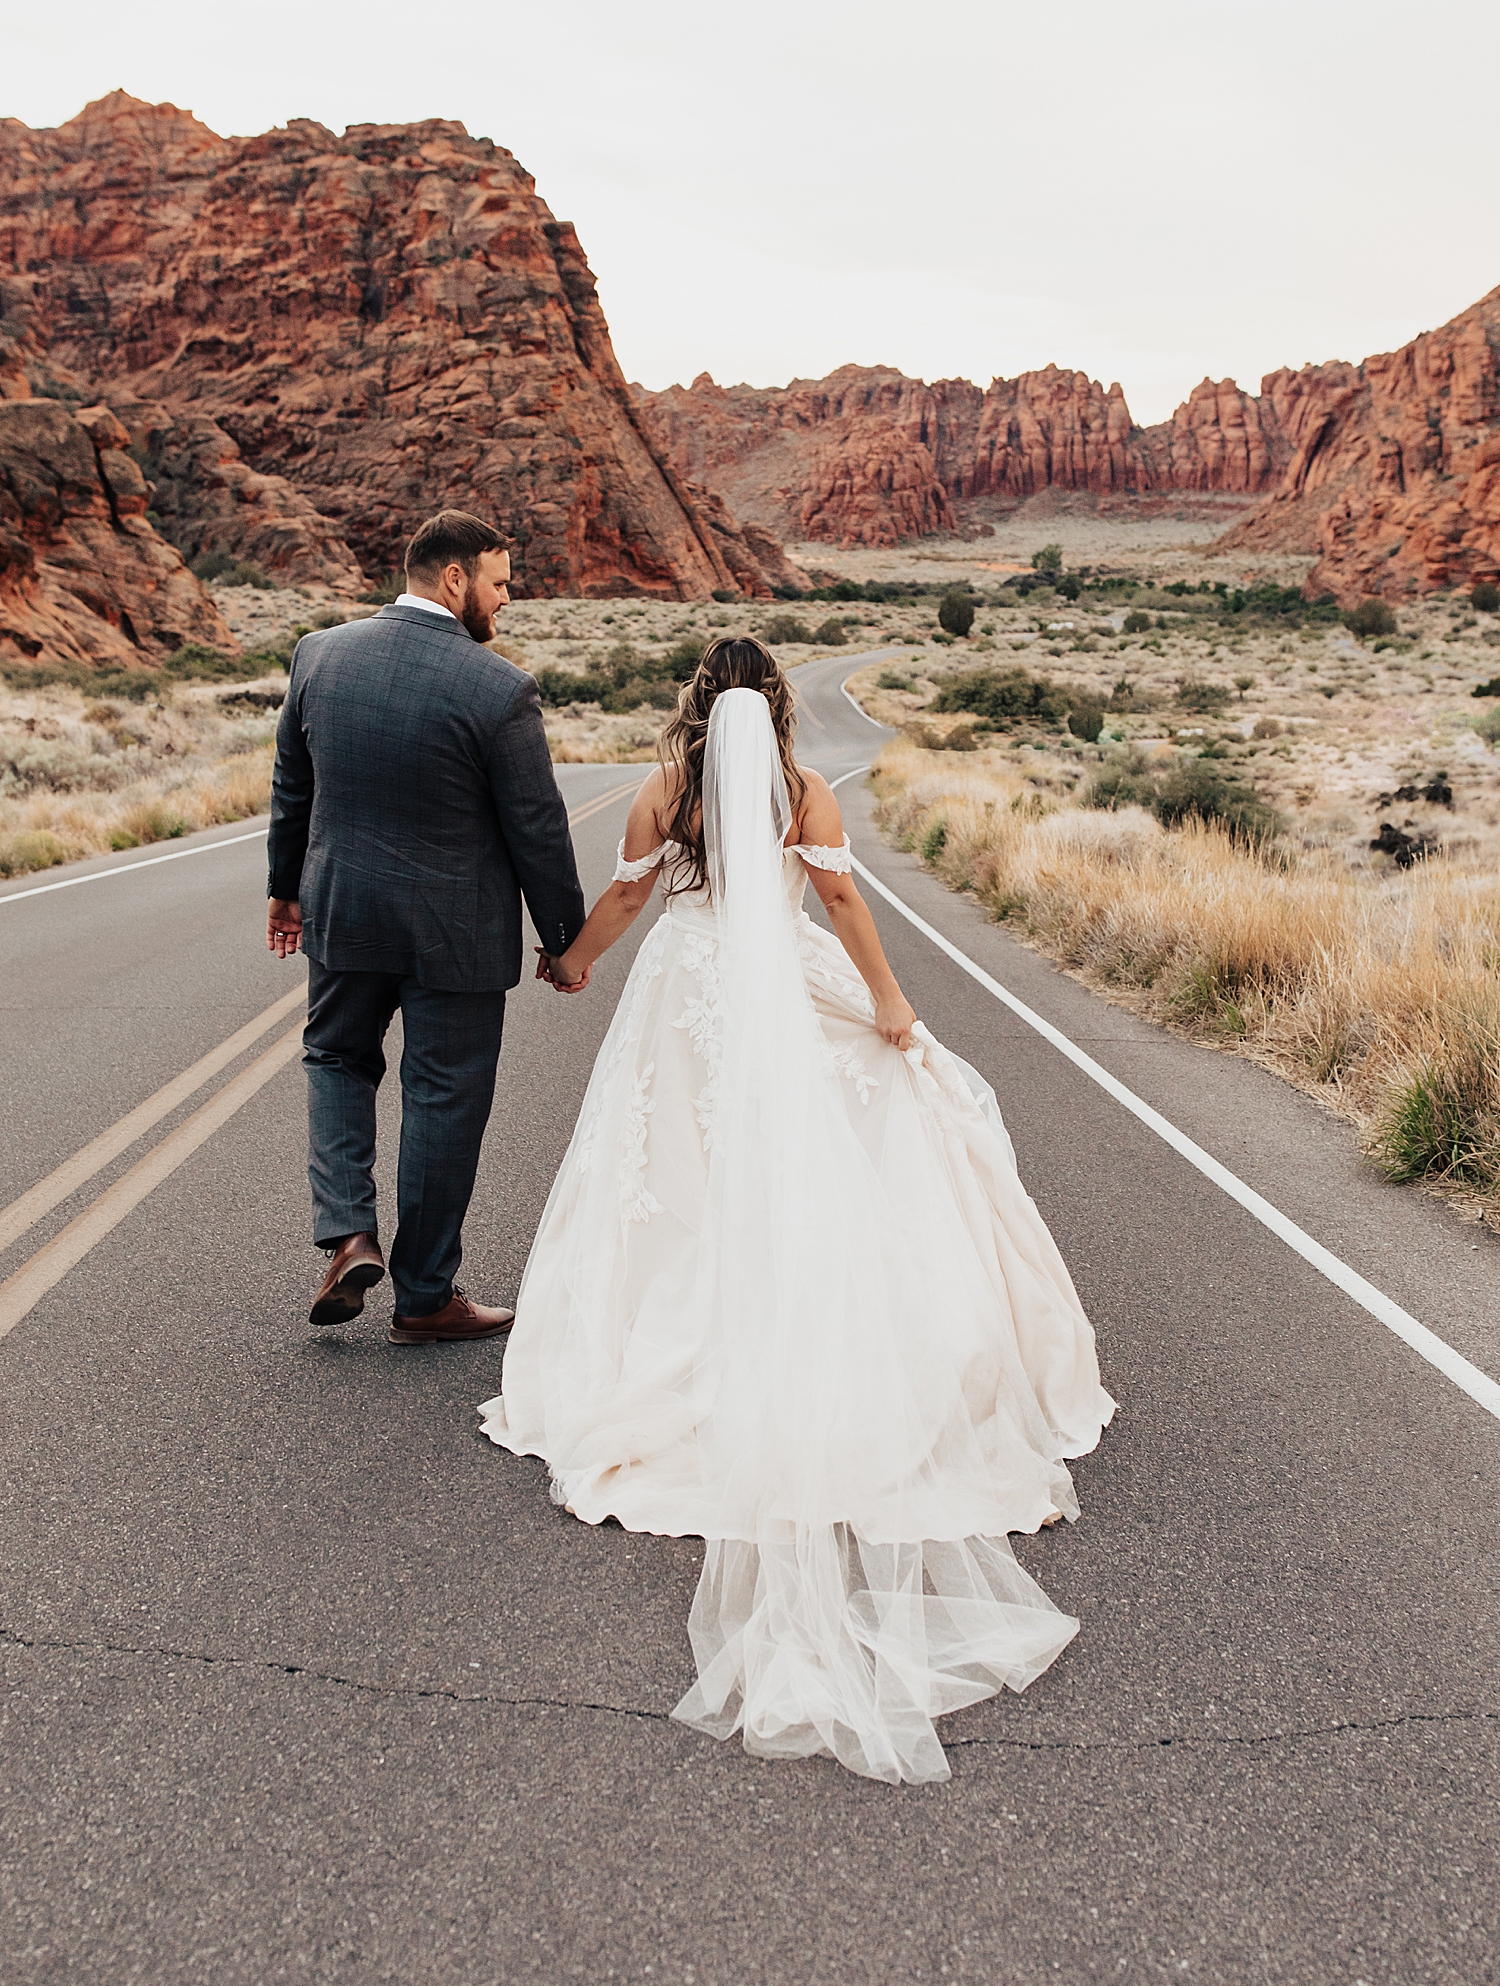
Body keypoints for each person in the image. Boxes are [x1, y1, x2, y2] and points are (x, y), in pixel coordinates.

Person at [480, 636, 1114, 1784]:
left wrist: (569, 966)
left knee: (672, 1170)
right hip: (775, 986)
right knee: (854, 1128)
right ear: (773, 704)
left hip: (689, 991)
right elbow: (837, 898)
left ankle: (674, 1340)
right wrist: (889, 999)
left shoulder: (662, 790)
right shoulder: (806, 788)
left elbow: (626, 902)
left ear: (693, 705)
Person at [265, 509, 586, 1342]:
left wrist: (285, 890)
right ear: (455, 579)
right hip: (458, 934)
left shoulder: (319, 655)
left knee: (335, 1058)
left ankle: (349, 1234)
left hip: (345, 913)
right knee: (444, 1099)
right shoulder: (497, 688)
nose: (505, 601)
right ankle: (424, 1298)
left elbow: (292, 786)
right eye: (501, 583)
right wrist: (564, 937)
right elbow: (537, 826)